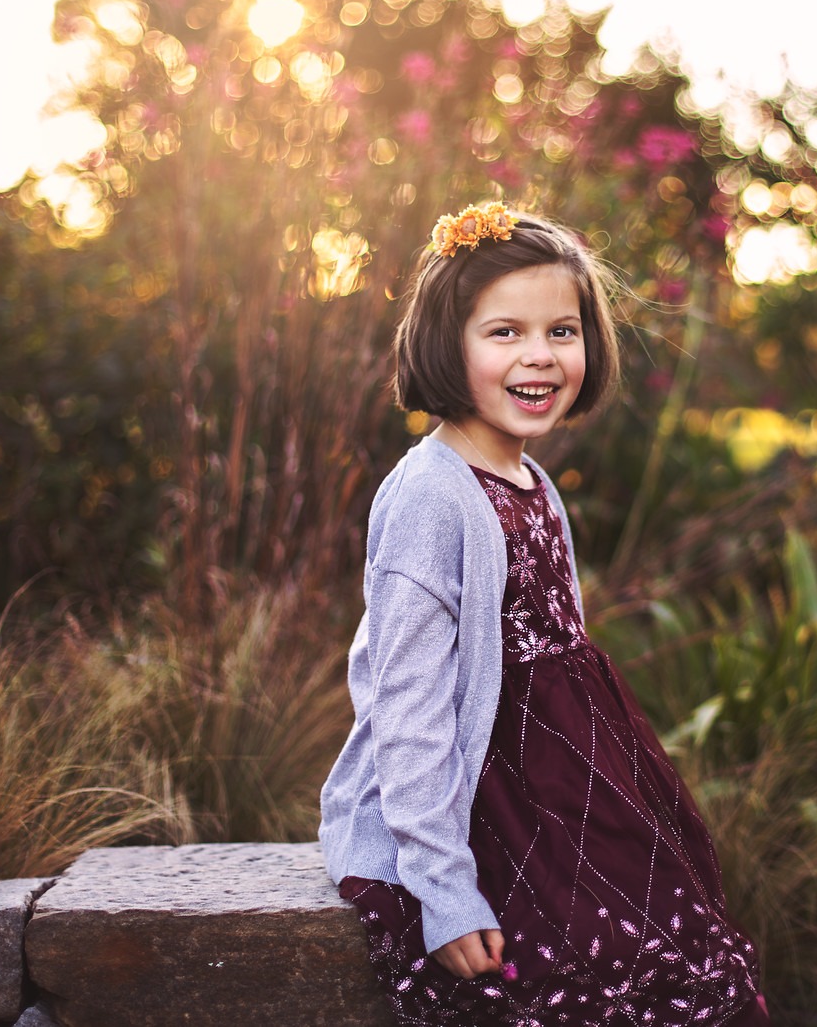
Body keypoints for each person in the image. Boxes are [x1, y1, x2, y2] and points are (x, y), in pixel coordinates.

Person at [319, 203, 770, 1026]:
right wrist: (445, 887)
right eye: (505, 333)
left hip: (572, 783)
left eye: (563, 330)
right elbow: (408, 708)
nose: (540, 355)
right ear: (446, 344)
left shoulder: (531, 481)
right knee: (564, 986)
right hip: (481, 806)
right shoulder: (431, 496)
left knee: (676, 961)